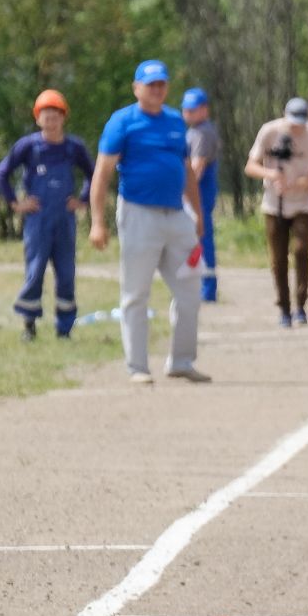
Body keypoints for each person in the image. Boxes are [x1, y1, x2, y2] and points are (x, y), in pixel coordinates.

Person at [88, 59, 208, 385]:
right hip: (139, 213)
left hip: (176, 215)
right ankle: (137, 367)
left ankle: (181, 361)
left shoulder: (174, 120)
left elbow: (186, 172)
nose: (157, 90)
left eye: (162, 84)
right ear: (136, 88)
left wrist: (197, 214)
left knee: (190, 289)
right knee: (136, 293)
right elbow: (102, 174)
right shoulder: (122, 122)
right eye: (150, 84)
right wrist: (97, 222)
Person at [0, 89, 93, 342]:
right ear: (38, 118)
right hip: (37, 221)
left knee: (66, 274)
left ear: (63, 118)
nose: (51, 119)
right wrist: (16, 203)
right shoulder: (28, 146)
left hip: (65, 221)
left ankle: (65, 329)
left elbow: (95, 174)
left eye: (56, 114)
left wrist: (82, 200)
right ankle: (29, 326)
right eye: (46, 114)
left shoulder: (74, 147)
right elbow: (0, 174)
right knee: (35, 272)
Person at [246, 97, 308, 327]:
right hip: (274, 203)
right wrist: (272, 175)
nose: (296, 127)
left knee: (301, 250)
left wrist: (298, 183)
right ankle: (283, 307)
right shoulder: (269, 131)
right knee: (278, 258)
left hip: (304, 202)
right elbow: (250, 166)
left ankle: (301, 305)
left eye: (300, 122)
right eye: (292, 122)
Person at [182, 88, 221, 303]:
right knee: (196, 239)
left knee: (202, 238)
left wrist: (182, 192)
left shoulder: (202, 132)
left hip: (200, 194)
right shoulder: (194, 130)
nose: (188, 113)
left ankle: (207, 290)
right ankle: (201, 287)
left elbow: (196, 168)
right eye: (185, 109)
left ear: (204, 110)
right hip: (196, 194)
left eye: (193, 109)